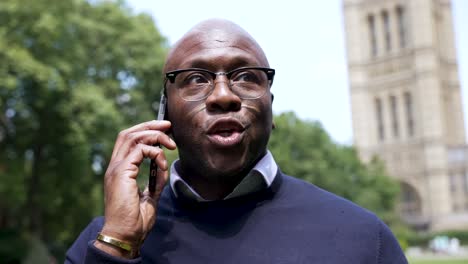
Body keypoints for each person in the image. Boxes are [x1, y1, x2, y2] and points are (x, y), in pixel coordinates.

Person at [66, 19, 408, 263]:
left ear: (270, 108)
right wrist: (119, 247)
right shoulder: (103, 242)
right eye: (195, 79)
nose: (223, 95)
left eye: (245, 77)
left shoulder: (363, 237)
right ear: (164, 113)